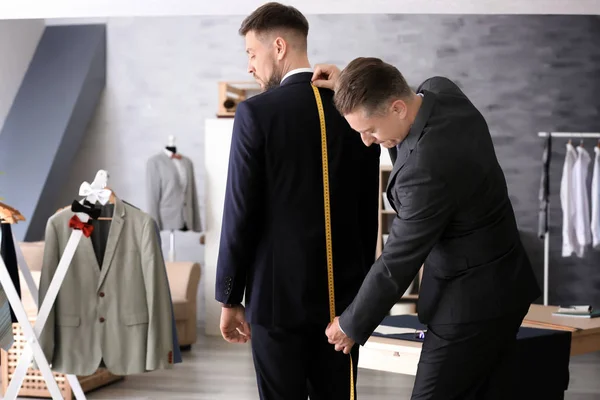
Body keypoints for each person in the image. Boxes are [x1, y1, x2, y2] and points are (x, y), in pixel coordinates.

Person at [313, 58, 541, 399]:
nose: (366, 141)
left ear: (399, 108)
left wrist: (351, 324)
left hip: (472, 303)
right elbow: (388, 92)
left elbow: (397, 260)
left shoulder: (427, 170)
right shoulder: (440, 91)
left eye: (370, 130)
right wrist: (348, 82)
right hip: (505, 279)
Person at [214, 4, 380, 400]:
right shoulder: (353, 111)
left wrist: (229, 297)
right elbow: (366, 212)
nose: (250, 67)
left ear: (279, 46)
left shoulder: (256, 113)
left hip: (276, 305)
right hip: (345, 306)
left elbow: (240, 212)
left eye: (252, 54)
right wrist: (360, 296)